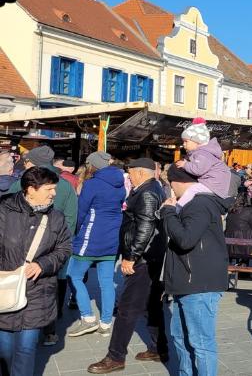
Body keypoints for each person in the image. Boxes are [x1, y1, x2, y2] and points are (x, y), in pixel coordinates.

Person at [87, 158, 168, 373]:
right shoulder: (150, 188)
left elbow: (145, 226)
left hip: (143, 259)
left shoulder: (148, 192)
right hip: (151, 256)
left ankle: (115, 357)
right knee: (152, 306)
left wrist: (131, 256)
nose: (128, 178)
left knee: (127, 309)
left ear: (140, 173)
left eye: (130, 173)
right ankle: (159, 349)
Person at [160, 165, 230, 376]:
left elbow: (185, 239)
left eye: (170, 185)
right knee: (180, 338)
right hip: (186, 281)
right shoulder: (191, 203)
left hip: (199, 284)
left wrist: (168, 213)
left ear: (176, 183)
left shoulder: (199, 204)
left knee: (201, 342)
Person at [0, 167, 71, 375]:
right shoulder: (4, 210)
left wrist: (43, 264)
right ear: (31, 189)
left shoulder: (56, 217)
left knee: (26, 349)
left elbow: (65, 248)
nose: (54, 193)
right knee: (4, 351)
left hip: (37, 293)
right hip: (5, 290)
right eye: (49, 188)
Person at [67, 152, 126, 338]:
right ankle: (106, 323)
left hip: (90, 238)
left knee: (73, 275)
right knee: (106, 282)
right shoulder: (120, 184)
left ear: (93, 165)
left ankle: (88, 318)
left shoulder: (92, 184)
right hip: (112, 238)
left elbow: (81, 211)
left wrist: (74, 234)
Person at [176, 118, 231, 197]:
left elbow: (198, 170)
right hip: (216, 185)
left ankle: (179, 207)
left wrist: (185, 164)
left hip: (213, 185)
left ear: (198, 141)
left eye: (186, 141)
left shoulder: (202, 154)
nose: (183, 144)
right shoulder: (204, 153)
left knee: (191, 190)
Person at [224, 191, 252, 262]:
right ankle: (245, 264)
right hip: (244, 243)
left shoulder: (231, 210)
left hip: (229, 242)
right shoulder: (249, 210)